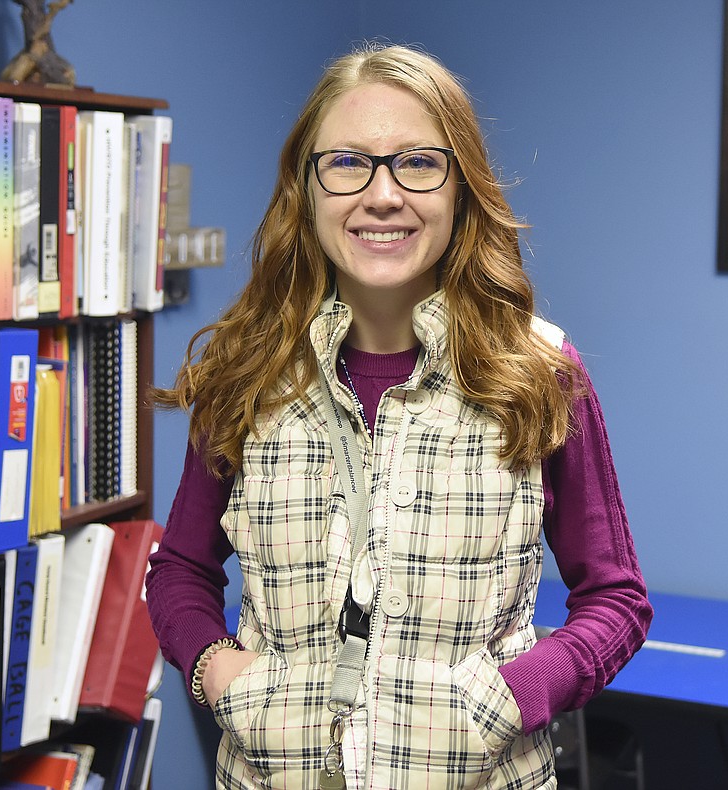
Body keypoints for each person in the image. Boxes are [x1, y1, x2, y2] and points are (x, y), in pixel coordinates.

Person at [145, 43, 652, 790]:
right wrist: (219, 674)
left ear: (461, 188)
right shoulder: (242, 374)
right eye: (347, 162)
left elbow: (617, 598)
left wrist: (514, 696)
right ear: (306, 188)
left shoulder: (541, 374)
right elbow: (179, 571)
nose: (382, 195)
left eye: (417, 162)